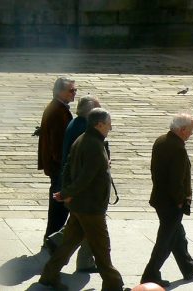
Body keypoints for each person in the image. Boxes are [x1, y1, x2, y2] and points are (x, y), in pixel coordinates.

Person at [39, 108, 129, 291]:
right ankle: (114, 285)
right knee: (102, 248)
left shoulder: (82, 140)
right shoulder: (95, 146)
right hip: (91, 208)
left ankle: (49, 275)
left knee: (69, 243)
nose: (110, 127)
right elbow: (86, 178)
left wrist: (67, 192)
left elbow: (67, 168)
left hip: (80, 205)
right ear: (99, 124)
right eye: (109, 124)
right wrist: (66, 193)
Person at [140, 113, 193, 287]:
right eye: (191, 131)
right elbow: (176, 180)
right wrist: (180, 200)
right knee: (165, 240)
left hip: (160, 198)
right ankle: (150, 274)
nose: (191, 134)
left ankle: (188, 266)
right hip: (171, 202)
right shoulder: (178, 148)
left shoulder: (161, 140)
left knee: (178, 235)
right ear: (182, 130)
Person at [45, 95, 101, 273]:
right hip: (84, 191)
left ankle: (77, 259)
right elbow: (83, 167)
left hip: (77, 188)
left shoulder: (77, 123)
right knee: (92, 228)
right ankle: (106, 274)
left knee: (80, 225)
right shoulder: (85, 131)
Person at [38, 77, 76, 243]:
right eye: (71, 90)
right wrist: (66, 168)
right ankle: (52, 241)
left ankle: (51, 239)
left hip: (57, 168)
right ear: (60, 92)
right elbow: (58, 146)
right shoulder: (58, 112)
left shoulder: (58, 108)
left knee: (58, 208)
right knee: (59, 209)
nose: (74, 93)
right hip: (59, 169)